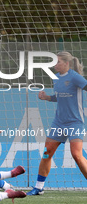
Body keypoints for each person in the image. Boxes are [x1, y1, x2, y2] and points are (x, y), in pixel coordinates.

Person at [27, 51, 87, 195]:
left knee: (76, 155)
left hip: (75, 122)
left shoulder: (76, 77)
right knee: (47, 153)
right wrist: (47, 98)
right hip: (58, 123)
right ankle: (38, 187)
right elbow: (59, 97)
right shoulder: (56, 78)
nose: (55, 65)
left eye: (58, 62)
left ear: (66, 63)